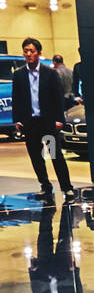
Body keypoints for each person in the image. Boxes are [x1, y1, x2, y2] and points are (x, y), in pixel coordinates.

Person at [11, 38, 74, 202]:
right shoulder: (18, 75)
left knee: (54, 155)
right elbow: (16, 98)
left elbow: (58, 98)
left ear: (38, 53)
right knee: (36, 158)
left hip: (48, 123)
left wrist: (60, 119)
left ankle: (67, 188)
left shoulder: (50, 73)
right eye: (26, 51)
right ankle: (45, 187)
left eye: (32, 51)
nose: (29, 54)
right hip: (30, 124)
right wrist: (17, 120)